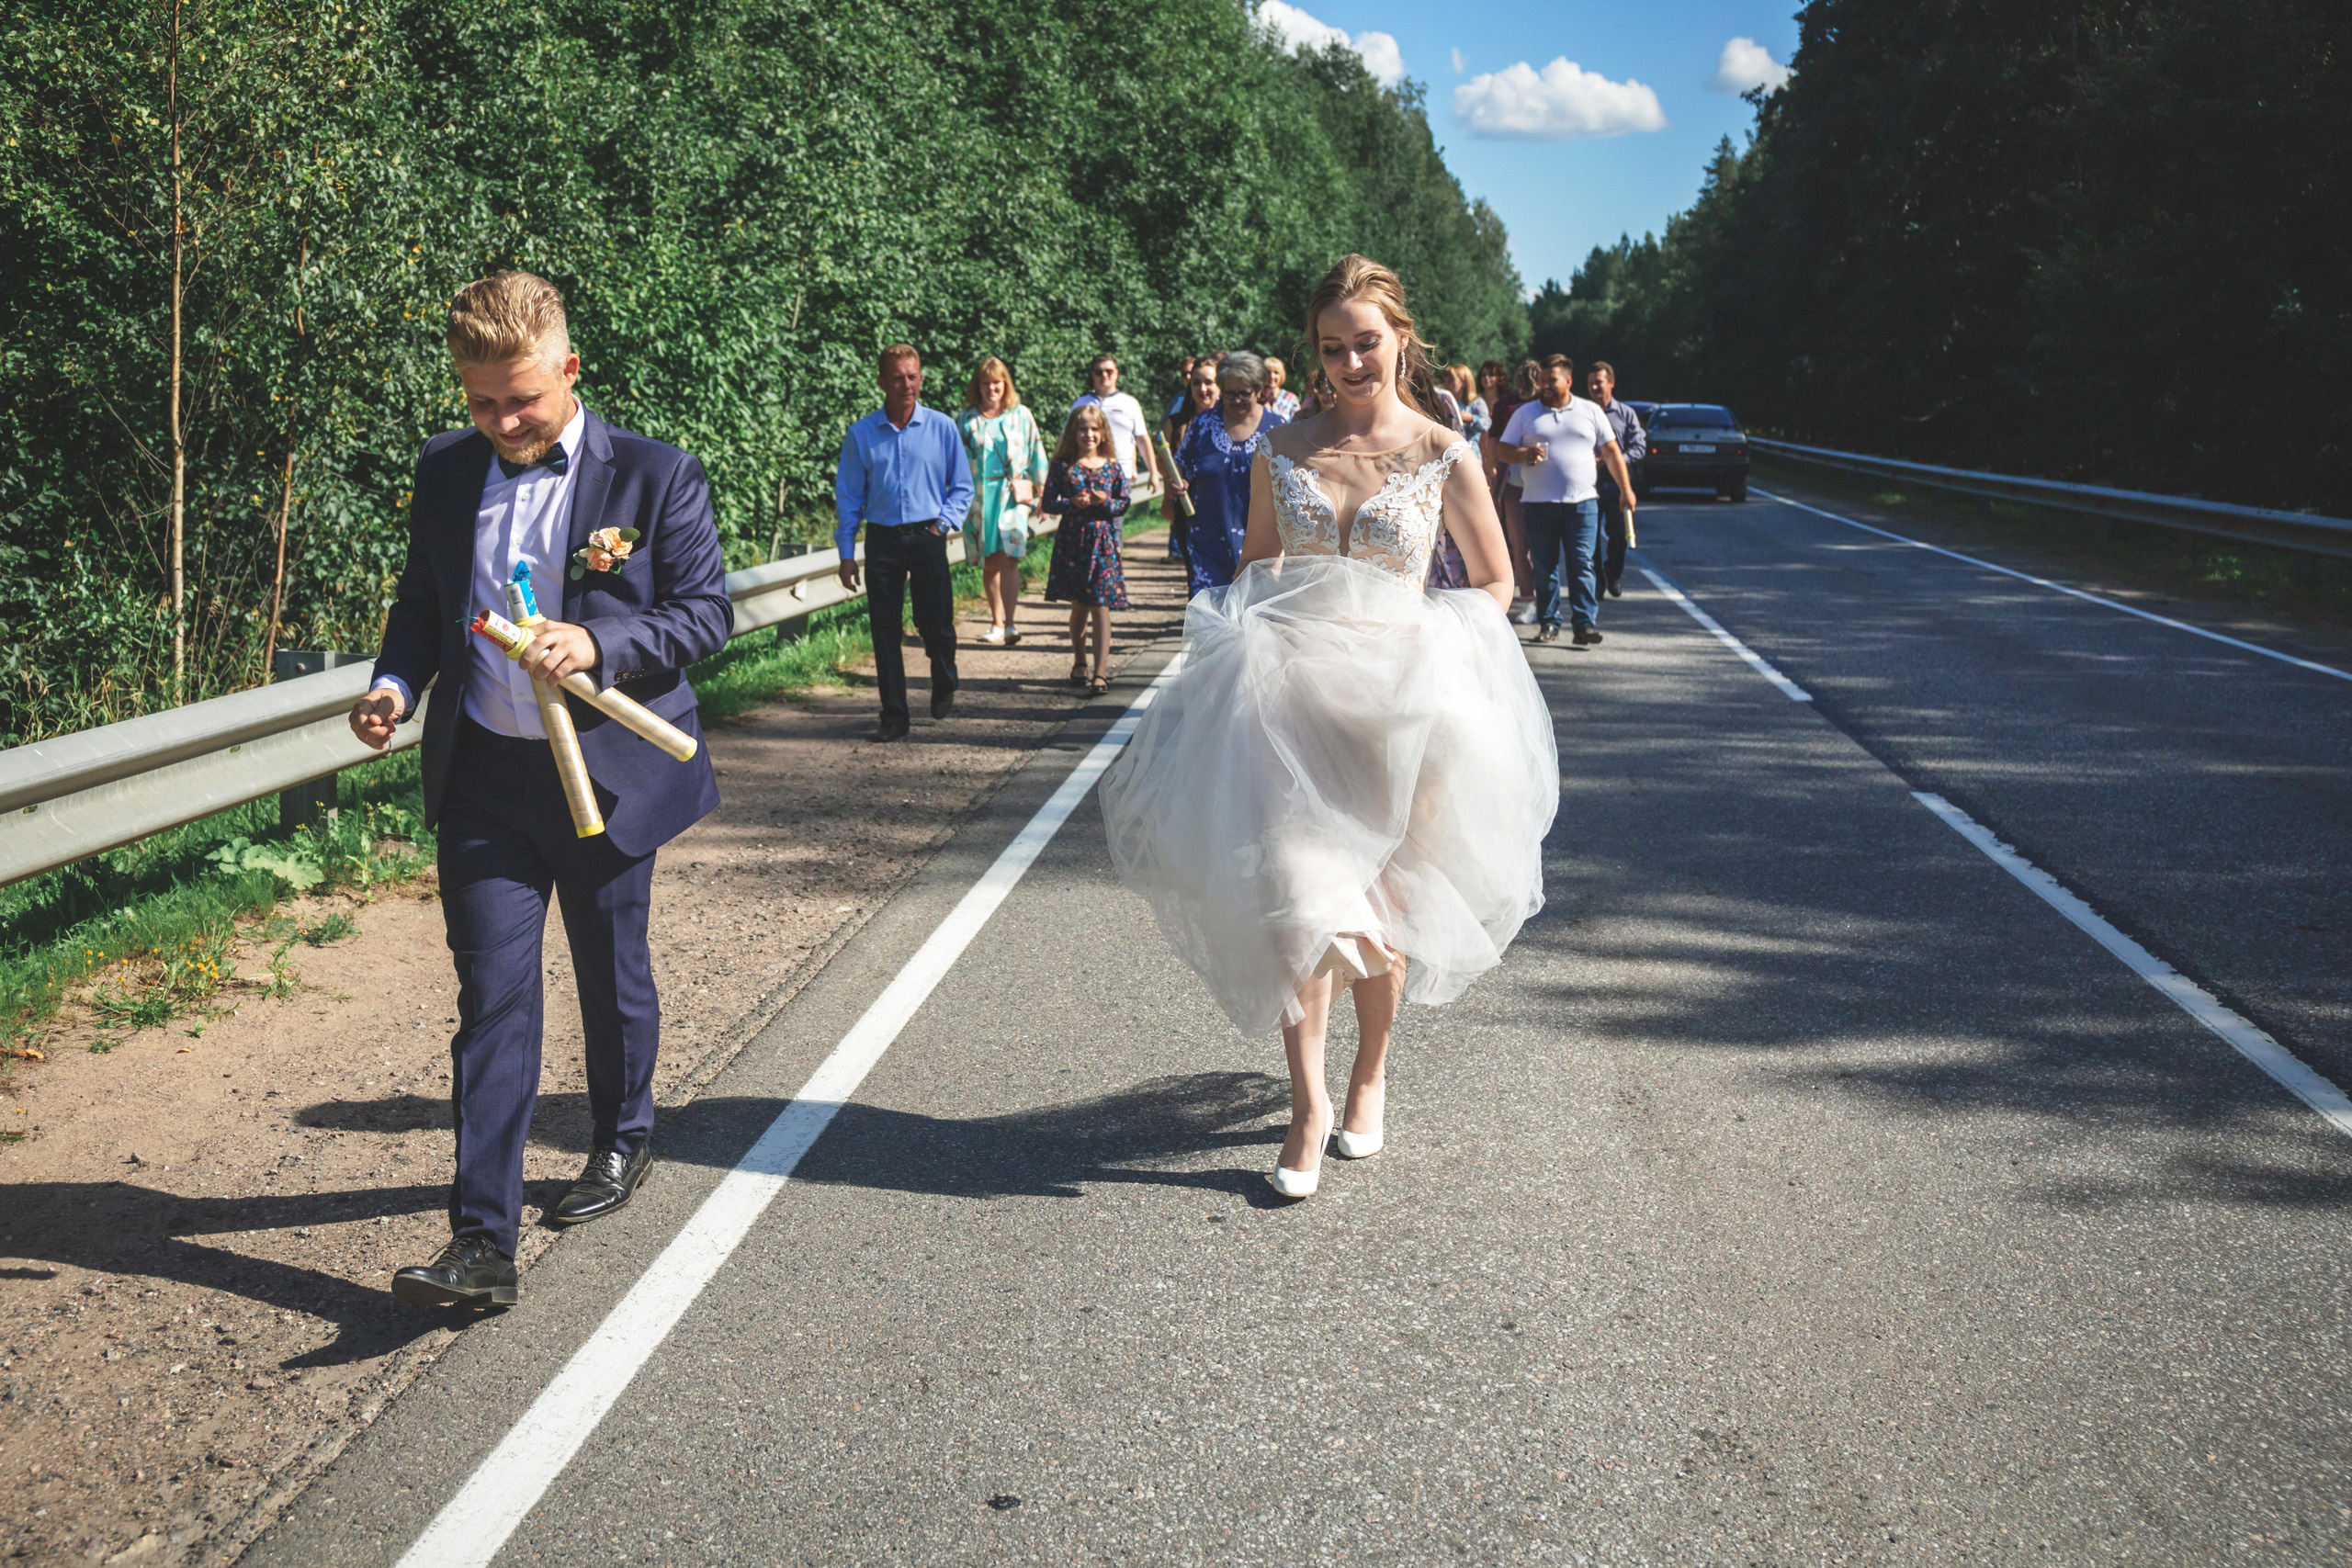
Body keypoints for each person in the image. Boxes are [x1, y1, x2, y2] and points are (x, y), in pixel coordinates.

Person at [1101, 254, 1557, 1201]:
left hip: (1402, 713)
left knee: (1384, 919)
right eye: (1332, 348)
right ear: (1309, 356)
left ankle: (1370, 1075)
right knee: (1298, 910)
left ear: (1400, 340)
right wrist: (1249, 639)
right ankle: (1306, 1105)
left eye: (1366, 344)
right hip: (1290, 706)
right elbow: (1259, 563)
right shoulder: (1284, 447)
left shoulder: (1441, 451)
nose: (1351, 363)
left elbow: (1495, 579)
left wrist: (1435, 641)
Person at [347, 270, 733, 1307]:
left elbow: (704, 617)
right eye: (482, 402)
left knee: (610, 973)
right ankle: (481, 1245)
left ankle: (622, 1137)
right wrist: (393, 684)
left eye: (521, 397)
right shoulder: (443, 470)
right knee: (493, 1003)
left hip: (606, 776)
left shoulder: (656, 476)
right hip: (484, 776)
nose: (505, 421)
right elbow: (424, 601)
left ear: (569, 367)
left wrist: (599, 638)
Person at [835, 344, 974, 740]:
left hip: (929, 536)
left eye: (912, 376)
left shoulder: (942, 427)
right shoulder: (861, 434)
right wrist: (847, 554)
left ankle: (944, 674)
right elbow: (848, 498)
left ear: (920, 378)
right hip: (882, 541)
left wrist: (941, 526)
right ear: (881, 382)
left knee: (936, 625)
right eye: (897, 377)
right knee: (884, 630)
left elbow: (962, 487)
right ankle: (894, 717)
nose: (906, 385)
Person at [1495, 353, 1635, 646]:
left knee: (1582, 563)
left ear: (1568, 381)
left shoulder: (1589, 411)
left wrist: (1626, 489)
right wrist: (1524, 454)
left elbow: (1610, 452)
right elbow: (1503, 451)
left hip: (1582, 504)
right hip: (1537, 503)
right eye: (1542, 380)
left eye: (1551, 380)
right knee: (1544, 567)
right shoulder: (1526, 413)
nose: (1544, 385)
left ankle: (1584, 624)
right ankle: (1549, 623)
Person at [1167, 349, 1286, 597]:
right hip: (1207, 542)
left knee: (1256, 625)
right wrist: (1180, 483)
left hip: (1263, 548)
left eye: (1245, 393)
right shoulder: (1203, 425)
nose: (1236, 400)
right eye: (1230, 393)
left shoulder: (1278, 428)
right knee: (1211, 623)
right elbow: (1180, 468)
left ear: (1259, 389)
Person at [956, 357, 1049, 646]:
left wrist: (1043, 490)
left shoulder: (1021, 414)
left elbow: (1037, 451)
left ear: (1005, 384)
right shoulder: (967, 420)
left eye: (997, 382)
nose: (991, 388)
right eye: (985, 383)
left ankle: (1010, 623)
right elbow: (955, 460)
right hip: (980, 498)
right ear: (978, 386)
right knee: (990, 561)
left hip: (1012, 498)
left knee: (1010, 558)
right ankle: (995, 623)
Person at [1040, 404, 1131, 696]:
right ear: (1073, 432)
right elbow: (1049, 503)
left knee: (1101, 606)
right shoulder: (1063, 465)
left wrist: (1105, 501)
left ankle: (1100, 673)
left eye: (1094, 428)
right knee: (1079, 605)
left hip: (1103, 542)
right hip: (1073, 543)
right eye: (1082, 429)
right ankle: (1079, 662)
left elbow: (1123, 502)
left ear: (1102, 431)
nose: (1089, 434)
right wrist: (1072, 503)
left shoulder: (1113, 465)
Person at [1477, 359, 1536, 624]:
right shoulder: (1506, 407)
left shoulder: (1549, 408)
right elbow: (1497, 449)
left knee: (1542, 547)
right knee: (1519, 545)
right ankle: (1529, 601)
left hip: (1546, 487)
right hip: (1514, 484)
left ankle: (1546, 602)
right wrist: (1496, 488)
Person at [1586, 361, 1645, 599]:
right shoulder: (1583, 412)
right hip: (1588, 482)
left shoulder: (1625, 414)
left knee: (1619, 534)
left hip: (1617, 483)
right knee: (1588, 536)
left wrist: (1616, 460)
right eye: (1590, 383)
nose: (1594, 387)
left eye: (1598, 382)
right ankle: (1597, 583)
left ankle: (1613, 572)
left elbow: (1639, 446)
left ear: (1611, 383)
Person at [1069, 353, 1163, 496]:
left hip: (1120, 474)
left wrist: (1153, 473)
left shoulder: (1129, 403)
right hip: (1085, 474)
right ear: (1093, 375)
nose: (1104, 375)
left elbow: (1142, 439)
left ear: (1116, 374)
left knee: (1114, 518)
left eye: (1109, 371)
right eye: (1099, 372)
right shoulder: (1081, 403)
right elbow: (1066, 439)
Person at [1160, 358, 1221, 561]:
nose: (1202, 388)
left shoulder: (1233, 424)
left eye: (1209, 382)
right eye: (1196, 382)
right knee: (1195, 575)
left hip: (1223, 510)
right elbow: (1166, 466)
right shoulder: (1175, 423)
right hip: (1186, 511)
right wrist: (1169, 494)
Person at [1263, 355, 1301, 420]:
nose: (1272, 376)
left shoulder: (1291, 399)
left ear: (1281, 376)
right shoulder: (1256, 396)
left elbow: (1298, 423)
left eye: (1276, 372)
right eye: (1268, 372)